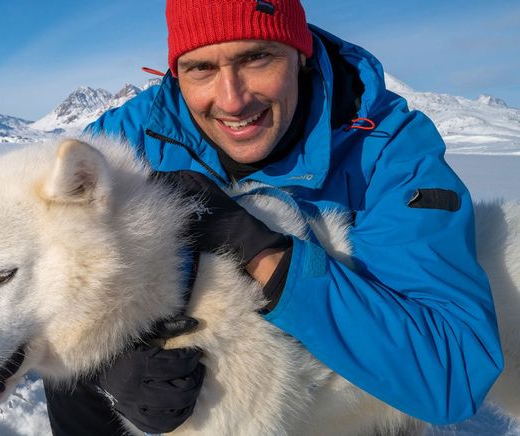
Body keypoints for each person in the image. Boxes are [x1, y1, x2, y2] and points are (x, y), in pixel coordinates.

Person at [44, 0, 504, 434]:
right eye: (201, 67)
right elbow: (42, 281)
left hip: (345, 407)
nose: (232, 100)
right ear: (176, 71)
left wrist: (266, 255)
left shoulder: (387, 153)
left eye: (257, 58)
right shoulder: (126, 144)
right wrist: (107, 368)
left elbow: (452, 374)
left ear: (299, 55)